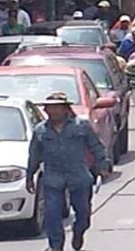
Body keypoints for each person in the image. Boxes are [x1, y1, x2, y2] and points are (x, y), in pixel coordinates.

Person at [26, 92, 110, 251]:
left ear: (66, 109)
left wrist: (103, 166)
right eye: (50, 108)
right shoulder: (40, 131)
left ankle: (78, 233)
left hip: (78, 176)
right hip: (53, 178)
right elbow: (34, 155)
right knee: (52, 215)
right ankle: (56, 246)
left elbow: (96, 147)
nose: (54, 111)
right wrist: (30, 176)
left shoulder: (81, 126)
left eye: (58, 107)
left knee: (83, 213)